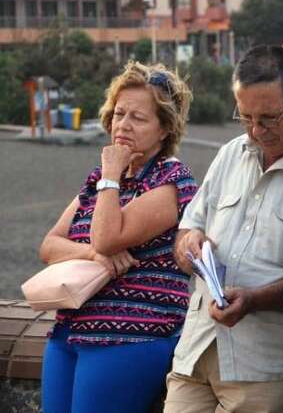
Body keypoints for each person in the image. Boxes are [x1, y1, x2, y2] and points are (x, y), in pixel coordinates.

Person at [164, 46, 283, 413]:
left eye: (269, 118)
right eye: (245, 117)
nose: (256, 131)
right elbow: (188, 229)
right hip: (196, 351)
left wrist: (254, 299)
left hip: (266, 367)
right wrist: (189, 245)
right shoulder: (230, 153)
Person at [39, 62, 197, 413]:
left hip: (131, 335)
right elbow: (49, 246)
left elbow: (108, 239)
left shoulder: (171, 180)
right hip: (70, 330)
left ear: (164, 129)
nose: (123, 125)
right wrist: (92, 256)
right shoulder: (98, 179)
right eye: (119, 114)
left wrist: (111, 174)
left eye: (138, 118)